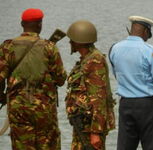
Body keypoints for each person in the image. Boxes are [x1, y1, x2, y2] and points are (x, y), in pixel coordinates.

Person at [0, 8, 67, 149]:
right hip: (44, 109)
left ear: (22, 24)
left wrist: (2, 96)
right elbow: (60, 79)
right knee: (47, 144)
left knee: (21, 144)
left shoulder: (7, 47)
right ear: (39, 25)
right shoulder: (49, 47)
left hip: (18, 108)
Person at [109, 16, 153, 150]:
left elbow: (117, 75)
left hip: (125, 103)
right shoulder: (150, 50)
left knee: (125, 145)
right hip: (148, 104)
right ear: (146, 32)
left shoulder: (115, 49)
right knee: (152, 145)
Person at [65, 20, 115, 150]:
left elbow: (98, 98)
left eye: (72, 39)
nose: (70, 42)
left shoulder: (94, 61)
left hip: (90, 126)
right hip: (82, 122)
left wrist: (96, 132)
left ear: (79, 41)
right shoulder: (86, 59)